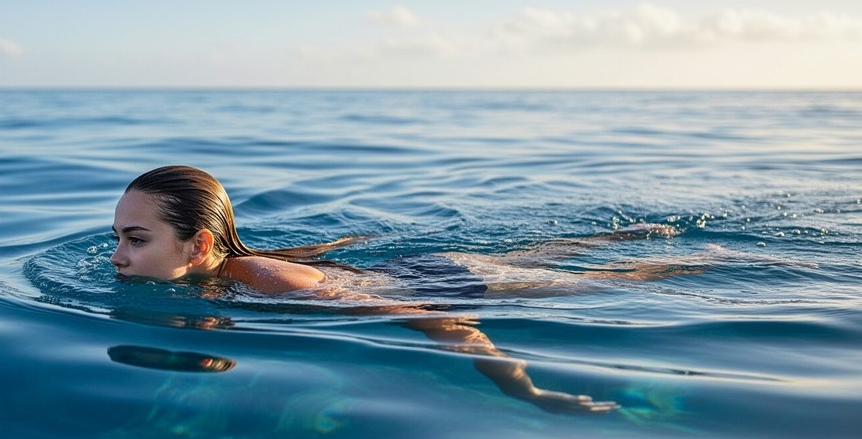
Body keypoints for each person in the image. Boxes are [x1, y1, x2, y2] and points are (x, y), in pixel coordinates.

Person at [109, 165, 707, 413]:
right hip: (420, 264)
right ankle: (622, 234)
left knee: (603, 285)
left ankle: (712, 260)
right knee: (539, 258)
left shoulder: (269, 279)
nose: (118, 257)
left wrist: (526, 390)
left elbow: (433, 320)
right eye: (118, 238)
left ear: (200, 245)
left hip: (445, 285)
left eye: (136, 239)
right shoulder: (226, 275)